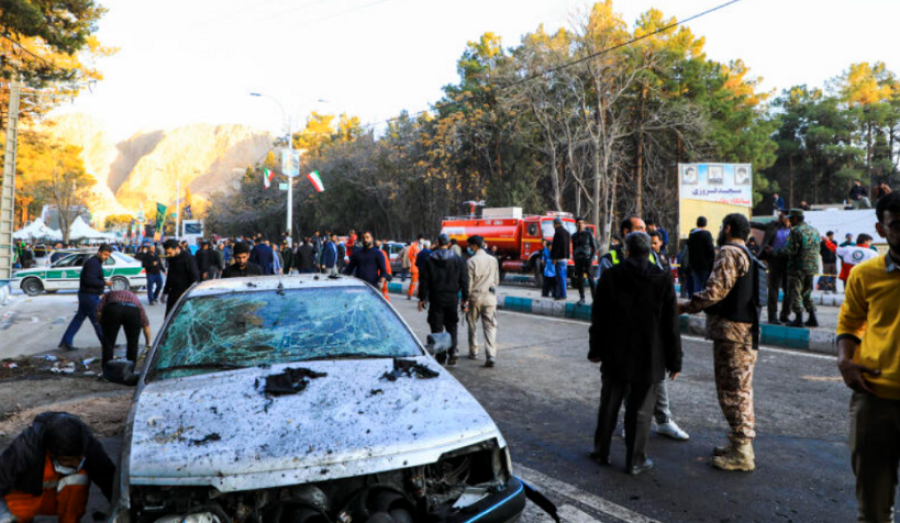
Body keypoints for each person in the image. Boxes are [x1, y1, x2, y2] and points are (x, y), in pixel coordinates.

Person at [589, 232, 682, 475]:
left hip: (614, 352)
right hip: (649, 356)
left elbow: (599, 318)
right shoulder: (662, 279)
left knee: (609, 404)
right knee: (641, 410)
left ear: (626, 251)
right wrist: (675, 361)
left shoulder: (611, 276)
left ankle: (601, 451)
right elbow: (671, 324)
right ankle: (635, 460)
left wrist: (595, 349)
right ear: (650, 251)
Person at [836, 192, 900, 522]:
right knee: (874, 511)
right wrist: (845, 361)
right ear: (881, 229)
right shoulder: (865, 275)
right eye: (898, 226)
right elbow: (849, 323)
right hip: (874, 401)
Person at [681, 213, 762, 472]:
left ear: (727, 228)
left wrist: (685, 306)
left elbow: (715, 292)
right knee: (739, 389)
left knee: (732, 391)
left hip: (732, 334)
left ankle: (742, 452)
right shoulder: (747, 253)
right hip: (745, 332)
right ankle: (739, 444)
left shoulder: (729, 252)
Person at [0, 413, 116, 523]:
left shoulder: (88, 445)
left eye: (78, 458)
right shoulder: (24, 450)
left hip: (52, 499)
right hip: (23, 500)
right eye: (66, 460)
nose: (75, 465)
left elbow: (109, 480)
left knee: (79, 477)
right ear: (50, 452)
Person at [418, 234, 469, 367]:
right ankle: (452, 352)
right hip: (452, 298)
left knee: (437, 326)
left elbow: (424, 281)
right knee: (452, 325)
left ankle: (441, 357)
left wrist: (422, 298)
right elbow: (464, 280)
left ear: (437, 243)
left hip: (436, 298)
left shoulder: (430, 260)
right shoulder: (458, 260)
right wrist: (465, 298)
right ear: (449, 244)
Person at [58, 244, 112, 352]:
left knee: (78, 319)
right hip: (89, 296)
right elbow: (89, 280)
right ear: (99, 252)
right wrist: (104, 282)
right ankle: (107, 343)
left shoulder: (95, 262)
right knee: (98, 320)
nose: (106, 257)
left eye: (108, 255)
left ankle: (66, 341)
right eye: (105, 254)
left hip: (87, 295)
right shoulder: (93, 263)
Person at [466, 235, 500, 368]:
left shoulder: (471, 261)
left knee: (472, 324)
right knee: (490, 326)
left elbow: (468, 284)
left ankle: (473, 351)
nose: (468, 248)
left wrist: (465, 300)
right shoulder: (493, 260)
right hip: (490, 298)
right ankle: (491, 354)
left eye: (469, 246)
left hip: (475, 297)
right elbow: (496, 280)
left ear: (474, 246)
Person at [752, 212, 791, 324]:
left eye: (783, 216)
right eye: (779, 215)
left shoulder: (795, 229)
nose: (780, 217)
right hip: (774, 260)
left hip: (789, 262)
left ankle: (785, 315)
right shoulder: (773, 225)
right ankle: (772, 316)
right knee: (773, 289)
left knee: (788, 290)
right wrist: (745, 222)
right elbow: (758, 225)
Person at [784, 209, 821, 327]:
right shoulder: (814, 230)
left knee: (796, 292)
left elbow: (791, 250)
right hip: (812, 266)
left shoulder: (796, 231)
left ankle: (798, 318)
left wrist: (775, 252)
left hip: (798, 266)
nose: (789, 221)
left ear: (795, 219)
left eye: (790, 218)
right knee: (807, 292)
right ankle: (812, 318)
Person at [96, 289, 151, 368]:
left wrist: (103, 324)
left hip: (113, 309)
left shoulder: (109, 294)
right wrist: (148, 343)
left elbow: (98, 311)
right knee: (133, 342)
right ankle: (130, 369)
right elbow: (145, 323)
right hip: (132, 311)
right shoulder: (134, 297)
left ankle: (107, 369)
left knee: (108, 342)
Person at [162, 239, 199, 318]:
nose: (168, 255)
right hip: (172, 294)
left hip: (184, 295)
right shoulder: (171, 259)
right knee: (169, 318)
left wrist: (187, 293)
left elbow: (195, 278)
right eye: (166, 253)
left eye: (169, 253)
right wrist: (165, 292)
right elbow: (170, 276)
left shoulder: (188, 258)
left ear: (177, 249)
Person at [571, 217, 597, 304]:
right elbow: (574, 248)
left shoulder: (588, 234)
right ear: (576, 224)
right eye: (578, 223)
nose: (580, 224)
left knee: (590, 279)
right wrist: (574, 258)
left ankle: (595, 298)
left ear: (584, 224)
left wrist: (591, 258)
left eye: (582, 223)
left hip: (587, 258)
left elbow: (594, 248)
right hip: (578, 259)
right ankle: (582, 298)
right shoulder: (574, 236)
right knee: (580, 279)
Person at [688, 217, 716, 296]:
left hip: (694, 264)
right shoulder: (707, 234)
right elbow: (711, 250)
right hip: (705, 265)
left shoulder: (692, 235)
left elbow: (689, 251)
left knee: (696, 285)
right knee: (705, 285)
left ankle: (695, 302)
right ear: (705, 224)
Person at [550, 218, 571, 301]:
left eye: (554, 224)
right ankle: (563, 293)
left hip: (559, 258)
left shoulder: (558, 233)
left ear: (557, 224)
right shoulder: (567, 233)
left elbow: (556, 247)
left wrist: (554, 257)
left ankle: (562, 295)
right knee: (564, 277)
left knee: (560, 277)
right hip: (565, 258)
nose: (553, 226)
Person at [407, 236, 423, 300]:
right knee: (414, 282)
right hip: (416, 267)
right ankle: (410, 294)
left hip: (419, 267)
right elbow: (410, 256)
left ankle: (417, 295)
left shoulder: (422, 246)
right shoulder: (414, 246)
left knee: (420, 282)